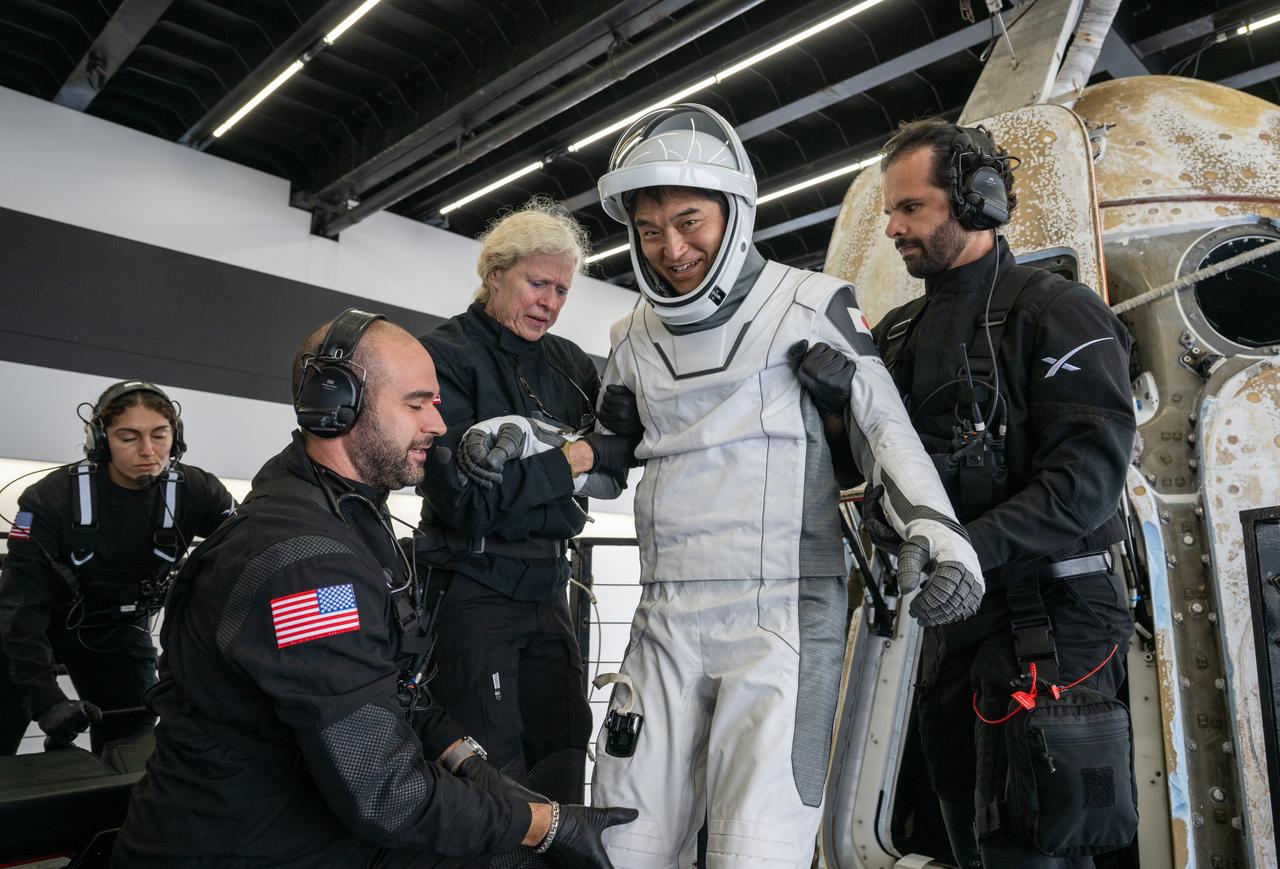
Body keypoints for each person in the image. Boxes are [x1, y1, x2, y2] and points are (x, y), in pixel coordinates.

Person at [582, 104, 983, 869]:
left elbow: (884, 431)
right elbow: (603, 456)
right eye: (649, 228)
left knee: (753, 851)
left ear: (733, 211)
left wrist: (940, 536)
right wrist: (528, 453)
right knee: (621, 842)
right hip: (665, 615)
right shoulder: (631, 337)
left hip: (781, 620)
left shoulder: (810, 303)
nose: (672, 248)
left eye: (690, 221)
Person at [111, 310, 635, 869]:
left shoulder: (343, 509)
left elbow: (394, 689)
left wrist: (472, 765)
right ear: (336, 406)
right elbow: (389, 796)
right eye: (416, 404)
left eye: (434, 403)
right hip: (247, 845)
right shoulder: (308, 567)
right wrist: (545, 826)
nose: (438, 425)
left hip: (294, 823)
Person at [874, 119, 1138, 867]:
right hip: (953, 636)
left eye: (911, 208)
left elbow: (1083, 484)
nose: (893, 227)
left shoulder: (1058, 312)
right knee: (967, 842)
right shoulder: (896, 336)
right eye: (889, 212)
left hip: (1052, 627)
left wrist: (961, 549)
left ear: (977, 201)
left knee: (1034, 851)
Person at [414, 198, 636, 813]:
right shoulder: (444, 357)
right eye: (537, 283)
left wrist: (574, 458)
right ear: (494, 274)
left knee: (562, 739)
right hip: (471, 587)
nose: (550, 301)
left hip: (547, 585)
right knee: (489, 758)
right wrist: (570, 461)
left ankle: (556, 852)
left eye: (562, 289)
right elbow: (466, 503)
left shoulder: (567, 363)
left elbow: (617, 461)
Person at [0, 380, 234, 756]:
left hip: (119, 632)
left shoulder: (197, 491)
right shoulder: (48, 499)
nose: (148, 450)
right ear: (99, 439)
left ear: (177, 436)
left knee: (131, 754)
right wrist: (46, 702)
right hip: (32, 632)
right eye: (128, 437)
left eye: (160, 435)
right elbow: (19, 611)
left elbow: (250, 546)